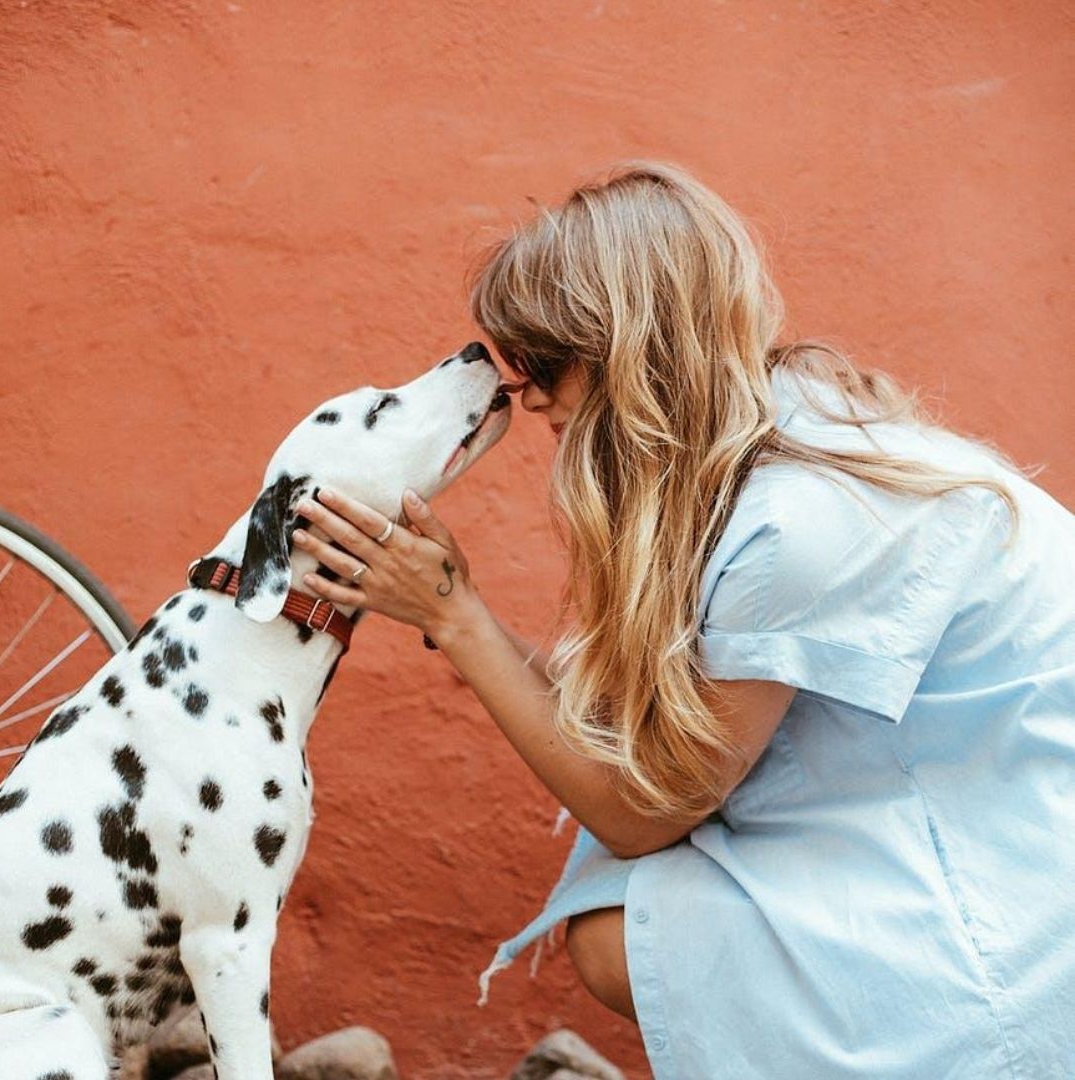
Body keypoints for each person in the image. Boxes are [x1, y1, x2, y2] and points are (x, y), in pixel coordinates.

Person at [291, 161, 1075, 1079]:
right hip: (960, 810)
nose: (527, 396)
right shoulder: (770, 441)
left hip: (1017, 879)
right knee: (629, 913)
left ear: (630, 346)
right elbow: (641, 742)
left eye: (543, 363)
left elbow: (641, 810)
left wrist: (455, 617)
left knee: (624, 931)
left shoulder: (798, 522)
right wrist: (453, 606)